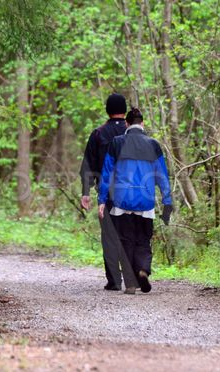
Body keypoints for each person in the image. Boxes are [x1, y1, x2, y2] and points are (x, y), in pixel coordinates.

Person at [97, 108, 173, 294]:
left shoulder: (117, 143)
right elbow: (162, 176)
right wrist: (167, 201)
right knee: (143, 240)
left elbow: (107, 174)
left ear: (127, 124)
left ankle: (131, 282)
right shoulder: (153, 144)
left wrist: (101, 199)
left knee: (125, 240)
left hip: (122, 202)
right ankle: (143, 270)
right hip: (145, 201)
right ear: (143, 123)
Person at [79, 93, 137, 291]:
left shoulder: (99, 133)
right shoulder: (134, 133)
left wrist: (85, 192)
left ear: (107, 110)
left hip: (108, 193)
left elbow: (88, 164)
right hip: (133, 192)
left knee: (110, 235)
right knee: (130, 233)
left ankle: (114, 280)